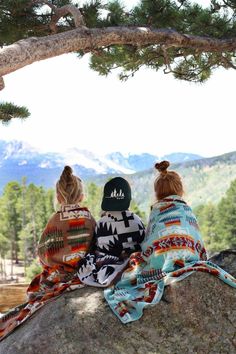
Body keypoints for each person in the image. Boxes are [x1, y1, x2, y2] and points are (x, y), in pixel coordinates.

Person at [104, 161, 236, 323]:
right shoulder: (187, 210)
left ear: (157, 193)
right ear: (181, 190)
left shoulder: (157, 211)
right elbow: (195, 236)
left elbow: (151, 238)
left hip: (161, 258)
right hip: (189, 254)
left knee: (139, 261)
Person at [0, 166, 96, 341]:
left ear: (58, 197)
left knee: (33, 293)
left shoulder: (55, 221)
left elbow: (43, 253)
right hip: (84, 274)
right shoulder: (89, 219)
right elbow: (95, 246)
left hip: (56, 277)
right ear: (82, 196)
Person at [77, 177, 146, 287]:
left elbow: (98, 246)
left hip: (108, 264)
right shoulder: (136, 220)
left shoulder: (101, 224)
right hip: (133, 262)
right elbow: (143, 241)